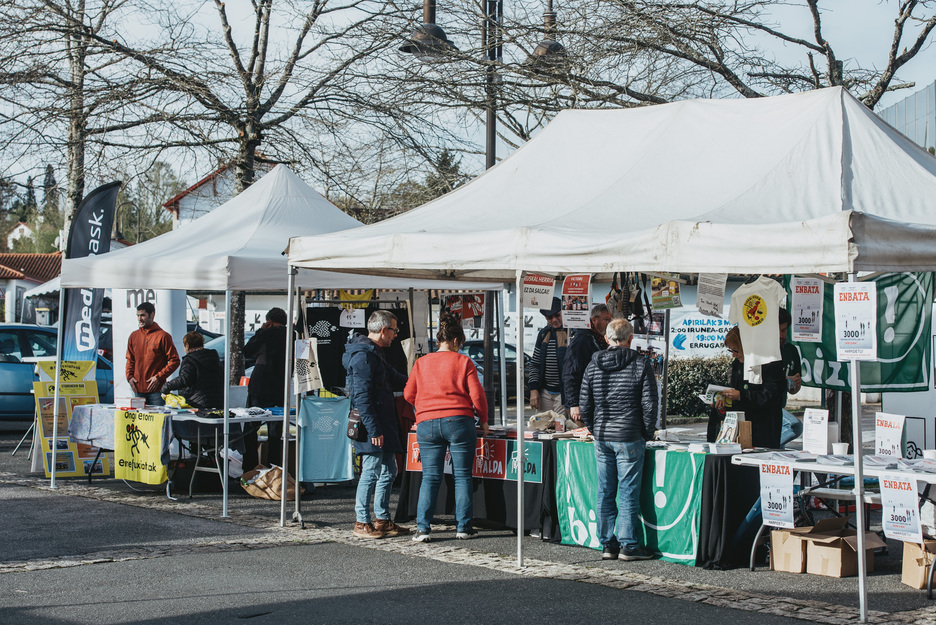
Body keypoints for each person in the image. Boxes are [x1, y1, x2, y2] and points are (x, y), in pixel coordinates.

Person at [404, 313, 489, 543]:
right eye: (460, 343)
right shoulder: (464, 362)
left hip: (426, 424)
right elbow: (477, 396)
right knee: (462, 476)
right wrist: (484, 419)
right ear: (455, 341)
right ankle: (463, 527)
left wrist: (425, 407)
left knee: (430, 477)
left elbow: (408, 394)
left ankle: (423, 529)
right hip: (459, 421)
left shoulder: (421, 363)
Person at [579, 318, 658, 562]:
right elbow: (649, 404)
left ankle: (607, 544)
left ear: (606, 338)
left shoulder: (593, 365)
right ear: (630, 338)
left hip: (603, 436)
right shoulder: (640, 364)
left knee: (605, 490)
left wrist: (594, 429)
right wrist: (645, 432)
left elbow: (584, 403)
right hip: (629, 436)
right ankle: (629, 546)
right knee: (627, 492)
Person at [342, 310, 409, 540]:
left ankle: (382, 518)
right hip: (373, 426)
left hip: (383, 424)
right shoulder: (363, 356)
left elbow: (395, 377)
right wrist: (374, 430)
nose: (395, 335)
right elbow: (361, 397)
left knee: (390, 470)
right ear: (383, 330)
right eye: (394, 330)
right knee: (370, 472)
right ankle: (362, 521)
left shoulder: (375, 353)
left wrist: (420, 379)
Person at [712, 326, 785, 448]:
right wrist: (724, 405)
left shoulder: (770, 363)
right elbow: (735, 393)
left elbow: (772, 395)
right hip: (739, 431)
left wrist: (741, 395)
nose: (734, 355)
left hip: (763, 430)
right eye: (731, 351)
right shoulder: (737, 365)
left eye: (736, 350)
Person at [242, 307, 289, 471]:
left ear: (269, 321)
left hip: (260, 385)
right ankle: (275, 467)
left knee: (251, 428)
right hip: (280, 386)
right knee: (275, 430)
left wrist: (260, 331)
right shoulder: (292, 336)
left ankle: (251, 467)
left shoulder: (266, 334)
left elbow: (247, 352)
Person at [563, 303, 613, 425]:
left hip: (594, 403)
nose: (609, 324)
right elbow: (570, 374)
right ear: (594, 320)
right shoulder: (583, 339)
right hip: (581, 404)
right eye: (606, 320)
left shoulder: (600, 340)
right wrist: (574, 404)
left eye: (610, 320)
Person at [126, 302, 180, 406]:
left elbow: (175, 360)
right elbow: (130, 359)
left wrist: (158, 377)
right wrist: (129, 377)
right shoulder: (133, 336)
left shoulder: (163, 336)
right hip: (138, 390)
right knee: (139, 422)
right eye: (138, 315)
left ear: (152, 315)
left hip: (156, 391)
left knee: (157, 421)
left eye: (143, 315)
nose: (139, 318)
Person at [160, 331, 223, 408]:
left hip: (197, 403)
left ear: (187, 345)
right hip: (217, 401)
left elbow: (184, 379)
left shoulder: (190, 360)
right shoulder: (214, 358)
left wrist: (166, 387)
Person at [529, 297, 568, 415]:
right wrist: (534, 389)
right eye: (550, 317)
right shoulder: (543, 334)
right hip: (545, 391)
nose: (554, 320)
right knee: (540, 427)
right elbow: (535, 363)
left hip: (564, 392)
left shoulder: (572, 333)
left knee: (560, 429)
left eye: (557, 315)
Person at [778, 308, 804, 447]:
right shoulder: (762, 350)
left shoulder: (791, 351)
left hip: (780, 405)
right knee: (794, 426)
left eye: (784, 330)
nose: (781, 335)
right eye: (778, 331)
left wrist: (796, 384)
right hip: (765, 408)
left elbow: (793, 390)